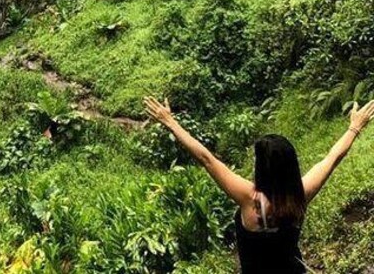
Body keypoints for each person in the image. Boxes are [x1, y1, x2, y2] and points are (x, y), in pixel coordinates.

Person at [143, 96, 374, 273]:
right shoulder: (301, 194)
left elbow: (206, 158)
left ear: (261, 168)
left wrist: (170, 122)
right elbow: (332, 158)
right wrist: (354, 127)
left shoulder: (247, 198)